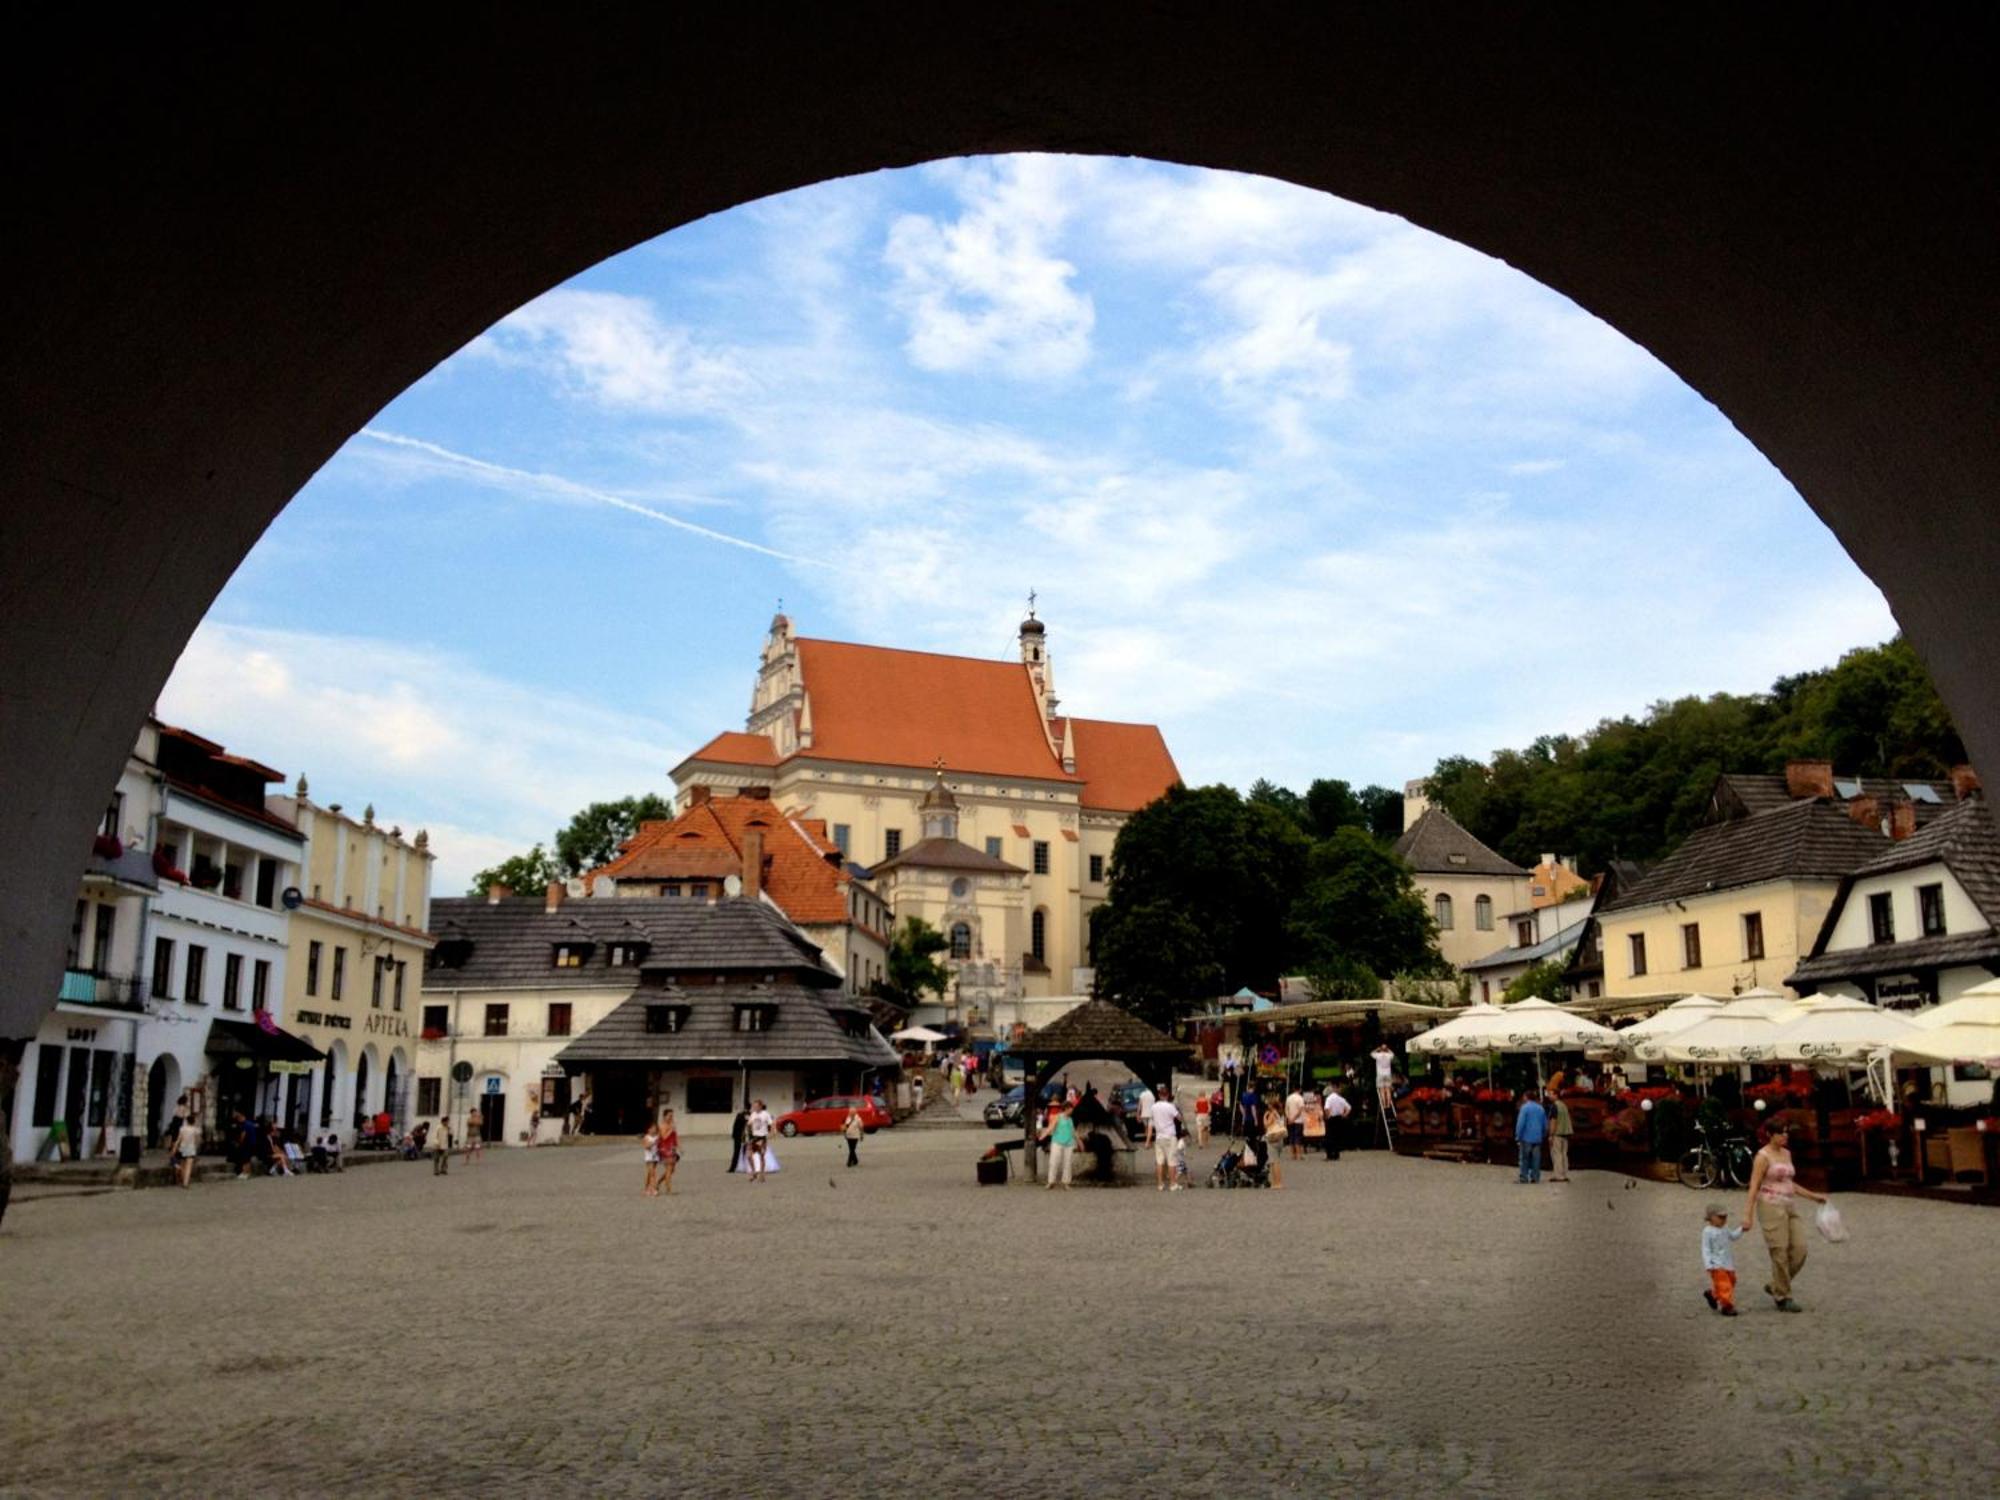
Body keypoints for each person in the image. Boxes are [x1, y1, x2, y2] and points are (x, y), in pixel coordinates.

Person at [1741, 1119, 1828, 1312]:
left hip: (1789, 1205)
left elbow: (1790, 1183)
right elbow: (1754, 1185)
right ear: (1770, 1135)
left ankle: (1776, 1285)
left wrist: (1813, 1197)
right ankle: (1783, 1296)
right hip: (1770, 1206)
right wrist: (1748, 1214)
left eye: (1786, 1132)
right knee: (1779, 1251)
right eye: (1781, 1133)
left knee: (1800, 1249)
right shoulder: (1762, 1157)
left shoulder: (1787, 1153)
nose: (1785, 1136)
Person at [1701, 1203, 1746, 1316]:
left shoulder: (1725, 1228)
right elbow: (1705, 1249)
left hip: (1728, 1263)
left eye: (1725, 1217)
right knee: (1724, 1285)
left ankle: (1713, 1295)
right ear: (1711, 1217)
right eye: (1720, 1217)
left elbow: (1732, 1236)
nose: (1724, 1220)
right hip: (1716, 1264)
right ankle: (1727, 1306)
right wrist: (1708, 1264)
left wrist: (1741, 1229)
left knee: (1731, 1281)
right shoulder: (1707, 1231)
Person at [1145, 1088, 1182, 1191]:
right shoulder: (1171, 1106)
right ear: (1168, 1095)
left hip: (1159, 1137)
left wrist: (1148, 1141)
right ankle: (1173, 1183)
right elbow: (1179, 1118)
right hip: (1170, 1136)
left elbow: (1150, 1125)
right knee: (1172, 1161)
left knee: (1159, 1161)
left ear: (1159, 1095)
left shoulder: (1153, 1107)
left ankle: (1160, 1184)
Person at [1514, 1087, 1548, 1184]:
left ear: (1526, 1097)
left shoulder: (1524, 1108)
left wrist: (1518, 1135)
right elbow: (1544, 1124)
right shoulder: (1540, 1108)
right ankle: (1535, 1177)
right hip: (1537, 1137)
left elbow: (1521, 1123)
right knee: (1536, 1158)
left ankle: (1524, 1177)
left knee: (1524, 1158)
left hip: (1526, 1137)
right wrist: (1543, 1134)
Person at [1040, 1101, 1077, 1189]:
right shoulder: (1058, 1117)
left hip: (1069, 1143)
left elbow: (1073, 1131)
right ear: (1067, 1109)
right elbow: (1051, 1127)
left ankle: (1066, 1182)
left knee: (1067, 1163)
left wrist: (1079, 1141)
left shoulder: (1070, 1119)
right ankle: (1051, 1181)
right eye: (1071, 1109)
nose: (1072, 1111)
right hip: (1057, 1142)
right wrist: (1044, 1135)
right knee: (1054, 1162)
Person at [1547, 1088, 1575, 1182]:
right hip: (1565, 1133)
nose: (1549, 1096)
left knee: (1557, 1154)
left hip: (1557, 1134)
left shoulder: (1555, 1106)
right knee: (1564, 1154)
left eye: (1551, 1094)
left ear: (1556, 1095)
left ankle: (1558, 1175)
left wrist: (1551, 1135)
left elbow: (1553, 1121)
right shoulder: (1564, 1105)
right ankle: (1564, 1173)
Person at [1261, 1102, 1288, 1189]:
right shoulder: (1282, 1114)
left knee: (1274, 1162)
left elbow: (1266, 1125)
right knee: (1276, 1161)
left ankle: (1277, 1183)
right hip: (1280, 1138)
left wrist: (1264, 1117)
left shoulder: (1273, 1114)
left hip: (1272, 1138)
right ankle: (1276, 1182)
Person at [746, 1099, 774, 1181]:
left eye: (756, 1106)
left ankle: (762, 1174)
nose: (755, 1107)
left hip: (761, 1138)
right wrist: (748, 1130)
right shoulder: (753, 1114)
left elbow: (771, 1123)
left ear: (760, 1106)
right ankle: (754, 1172)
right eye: (754, 1106)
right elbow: (749, 1124)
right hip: (754, 1138)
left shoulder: (765, 1114)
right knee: (748, 1155)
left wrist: (772, 1132)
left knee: (761, 1155)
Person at [173, 1112, 202, 1189]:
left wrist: (175, 1147)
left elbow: (178, 1139)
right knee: (188, 1166)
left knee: (182, 1165)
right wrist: (196, 1147)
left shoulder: (182, 1129)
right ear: (194, 1121)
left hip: (182, 1148)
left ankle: (183, 1180)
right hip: (191, 1148)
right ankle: (186, 1183)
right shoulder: (195, 1130)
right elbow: (197, 1140)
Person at [1322, 1082, 1351, 1160]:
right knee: (1337, 1136)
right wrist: (1344, 1115)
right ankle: (1336, 1154)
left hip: (1331, 1118)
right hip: (1339, 1118)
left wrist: (1328, 1116)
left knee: (1329, 1136)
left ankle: (1329, 1154)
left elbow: (1326, 1108)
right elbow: (1349, 1108)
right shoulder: (1341, 1099)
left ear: (1333, 1088)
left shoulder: (1329, 1098)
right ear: (1338, 1089)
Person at [657, 1109, 680, 1195]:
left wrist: (679, 1146)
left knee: (672, 1170)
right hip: (665, 1149)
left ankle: (658, 1183)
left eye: (672, 1115)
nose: (671, 1117)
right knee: (669, 1169)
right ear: (664, 1116)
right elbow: (664, 1137)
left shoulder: (671, 1125)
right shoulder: (663, 1125)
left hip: (671, 1149)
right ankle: (669, 1189)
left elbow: (675, 1137)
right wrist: (671, 1129)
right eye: (669, 1115)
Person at [1371, 1043, 1397, 1113]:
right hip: (1388, 1074)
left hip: (1380, 1075)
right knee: (1388, 1090)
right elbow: (1393, 1054)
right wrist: (1388, 1049)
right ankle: (1388, 1104)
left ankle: (1384, 1105)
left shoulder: (1378, 1055)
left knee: (1382, 1091)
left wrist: (1377, 1049)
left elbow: (1371, 1053)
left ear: (1381, 1049)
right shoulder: (1389, 1055)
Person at [1284, 1084, 1306, 1160]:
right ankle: (1299, 1155)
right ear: (1299, 1089)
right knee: (1298, 1137)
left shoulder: (1288, 1098)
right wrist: (1294, 1118)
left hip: (1289, 1120)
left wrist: (1289, 1118)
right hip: (1298, 1121)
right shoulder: (1300, 1098)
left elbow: (1286, 1109)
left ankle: (1293, 1155)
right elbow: (1301, 1110)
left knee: (1291, 1137)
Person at [642, 1120, 662, 1196]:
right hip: (649, 1158)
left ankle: (647, 1188)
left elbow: (659, 1145)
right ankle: (654, 1189)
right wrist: (653, 1142)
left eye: (655, 1128)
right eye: (653, 1128)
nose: (654, 1130)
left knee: (649, 1174)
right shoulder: (646, 1137)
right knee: (653, 1173)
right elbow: (646, 1146)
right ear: (648, 1129)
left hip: (656, 1157)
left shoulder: (657, 1137)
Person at [842, 1103, 865, 1168]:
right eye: (850, 1112)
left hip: (855, 1136)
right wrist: (844, 1133)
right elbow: (844, 1126)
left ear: (855, 1112)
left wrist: (862, 1135)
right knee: (851, 1149)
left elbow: (861, 1127)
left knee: (852, 1149)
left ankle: (849, 1162)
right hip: (848, 1135)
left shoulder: (858, 1119)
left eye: (852, 1112)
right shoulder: (847, 1118)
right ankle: (855, 1160)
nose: (851, 1113)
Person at [728, 1106, 748, 1174]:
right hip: (738, 1136)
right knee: (737, 1152)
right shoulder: (740, 1115)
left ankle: (745, 1167)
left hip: (745, 1137)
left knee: (744, 1152)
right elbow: (735, 1126)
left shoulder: (748, 1115)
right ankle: (733, 1167)